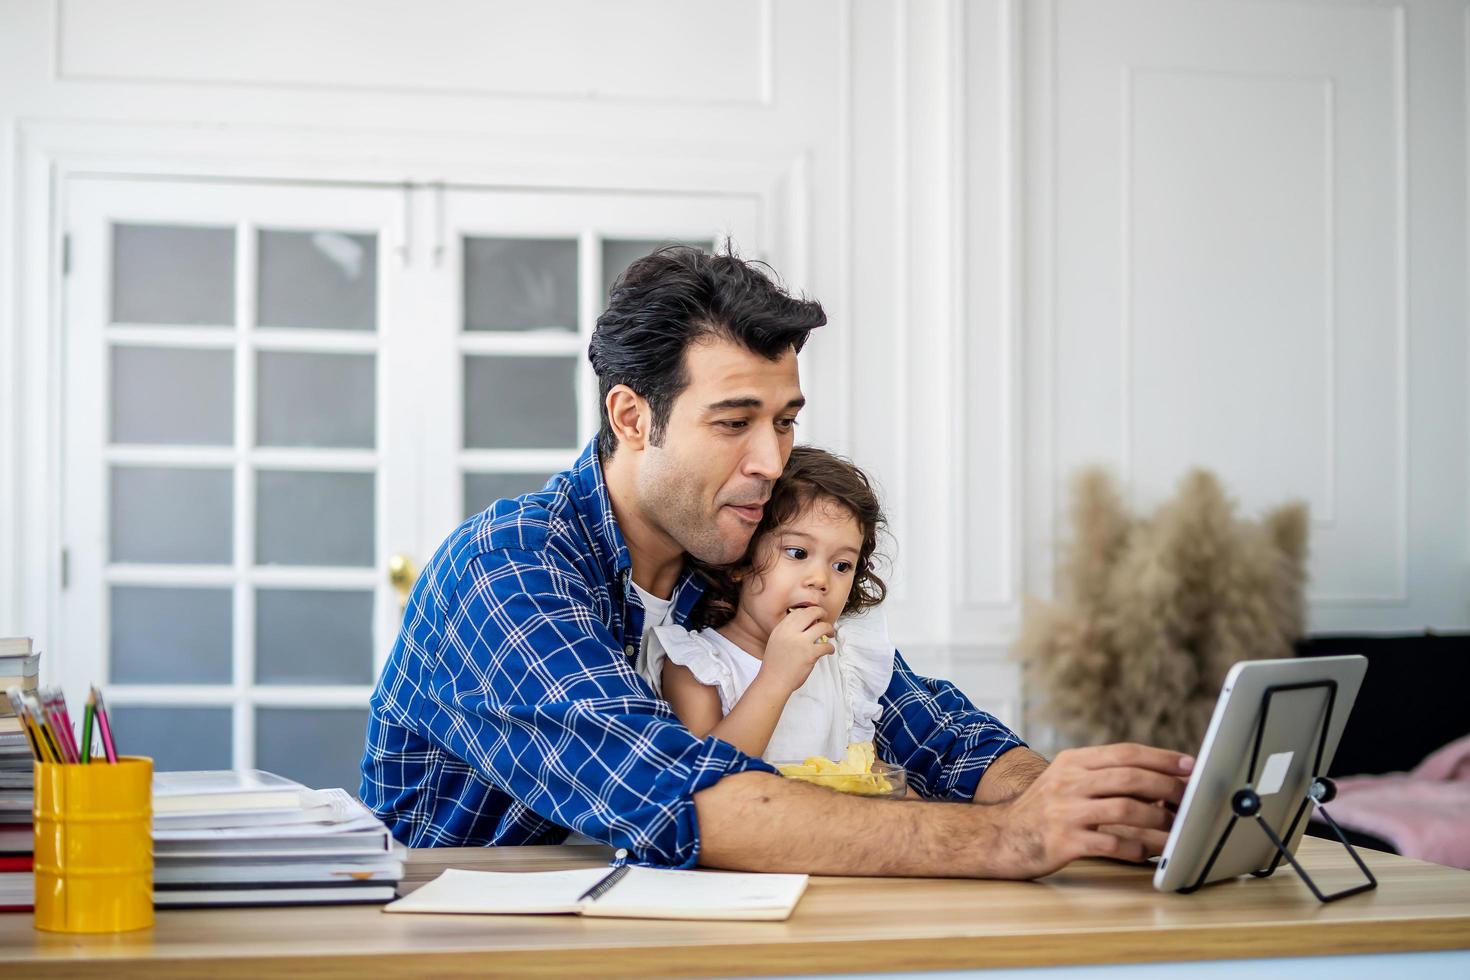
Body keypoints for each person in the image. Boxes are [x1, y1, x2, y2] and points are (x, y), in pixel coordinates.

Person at [361, 246, 1190, 879]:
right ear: (633, 417)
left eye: (786, 420)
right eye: (734, 423)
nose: (770, 459)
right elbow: (682, 800)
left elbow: (929, 729)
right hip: (462, 951)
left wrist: (1089, 804)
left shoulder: (731, 556)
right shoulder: (508, 569)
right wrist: (1015, 834)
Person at [644, 445, 897, 766]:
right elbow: (707, 777)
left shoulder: (843, 663)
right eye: (797, 553)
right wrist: (776, 679)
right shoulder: (698, 666)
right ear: (741, 558)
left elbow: (865, 769)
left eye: (842, 565)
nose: (821, 579)